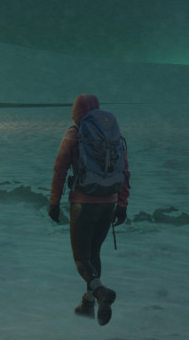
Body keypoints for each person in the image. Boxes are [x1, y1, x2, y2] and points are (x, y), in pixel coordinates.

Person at [49, 94, 130, 326]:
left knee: (81, 257)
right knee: (94, 254)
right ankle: (88, 303)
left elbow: (60, 170)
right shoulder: (113, 137)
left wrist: (54, 202)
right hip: (109, 202)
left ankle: (100, 292)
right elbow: (124, 170)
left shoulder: (74, 134)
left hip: (84, 203)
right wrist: (122, 204)